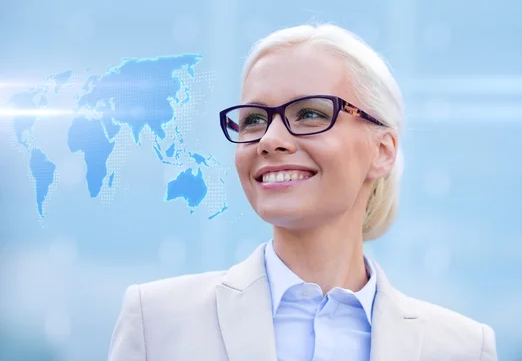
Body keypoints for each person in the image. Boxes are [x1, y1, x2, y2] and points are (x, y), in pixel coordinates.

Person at [108, 23, 498, 361]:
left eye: (310, 113)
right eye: (254, 119)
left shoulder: (461, 349)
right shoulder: (157, 323)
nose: (270, 139)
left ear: (382, 151)